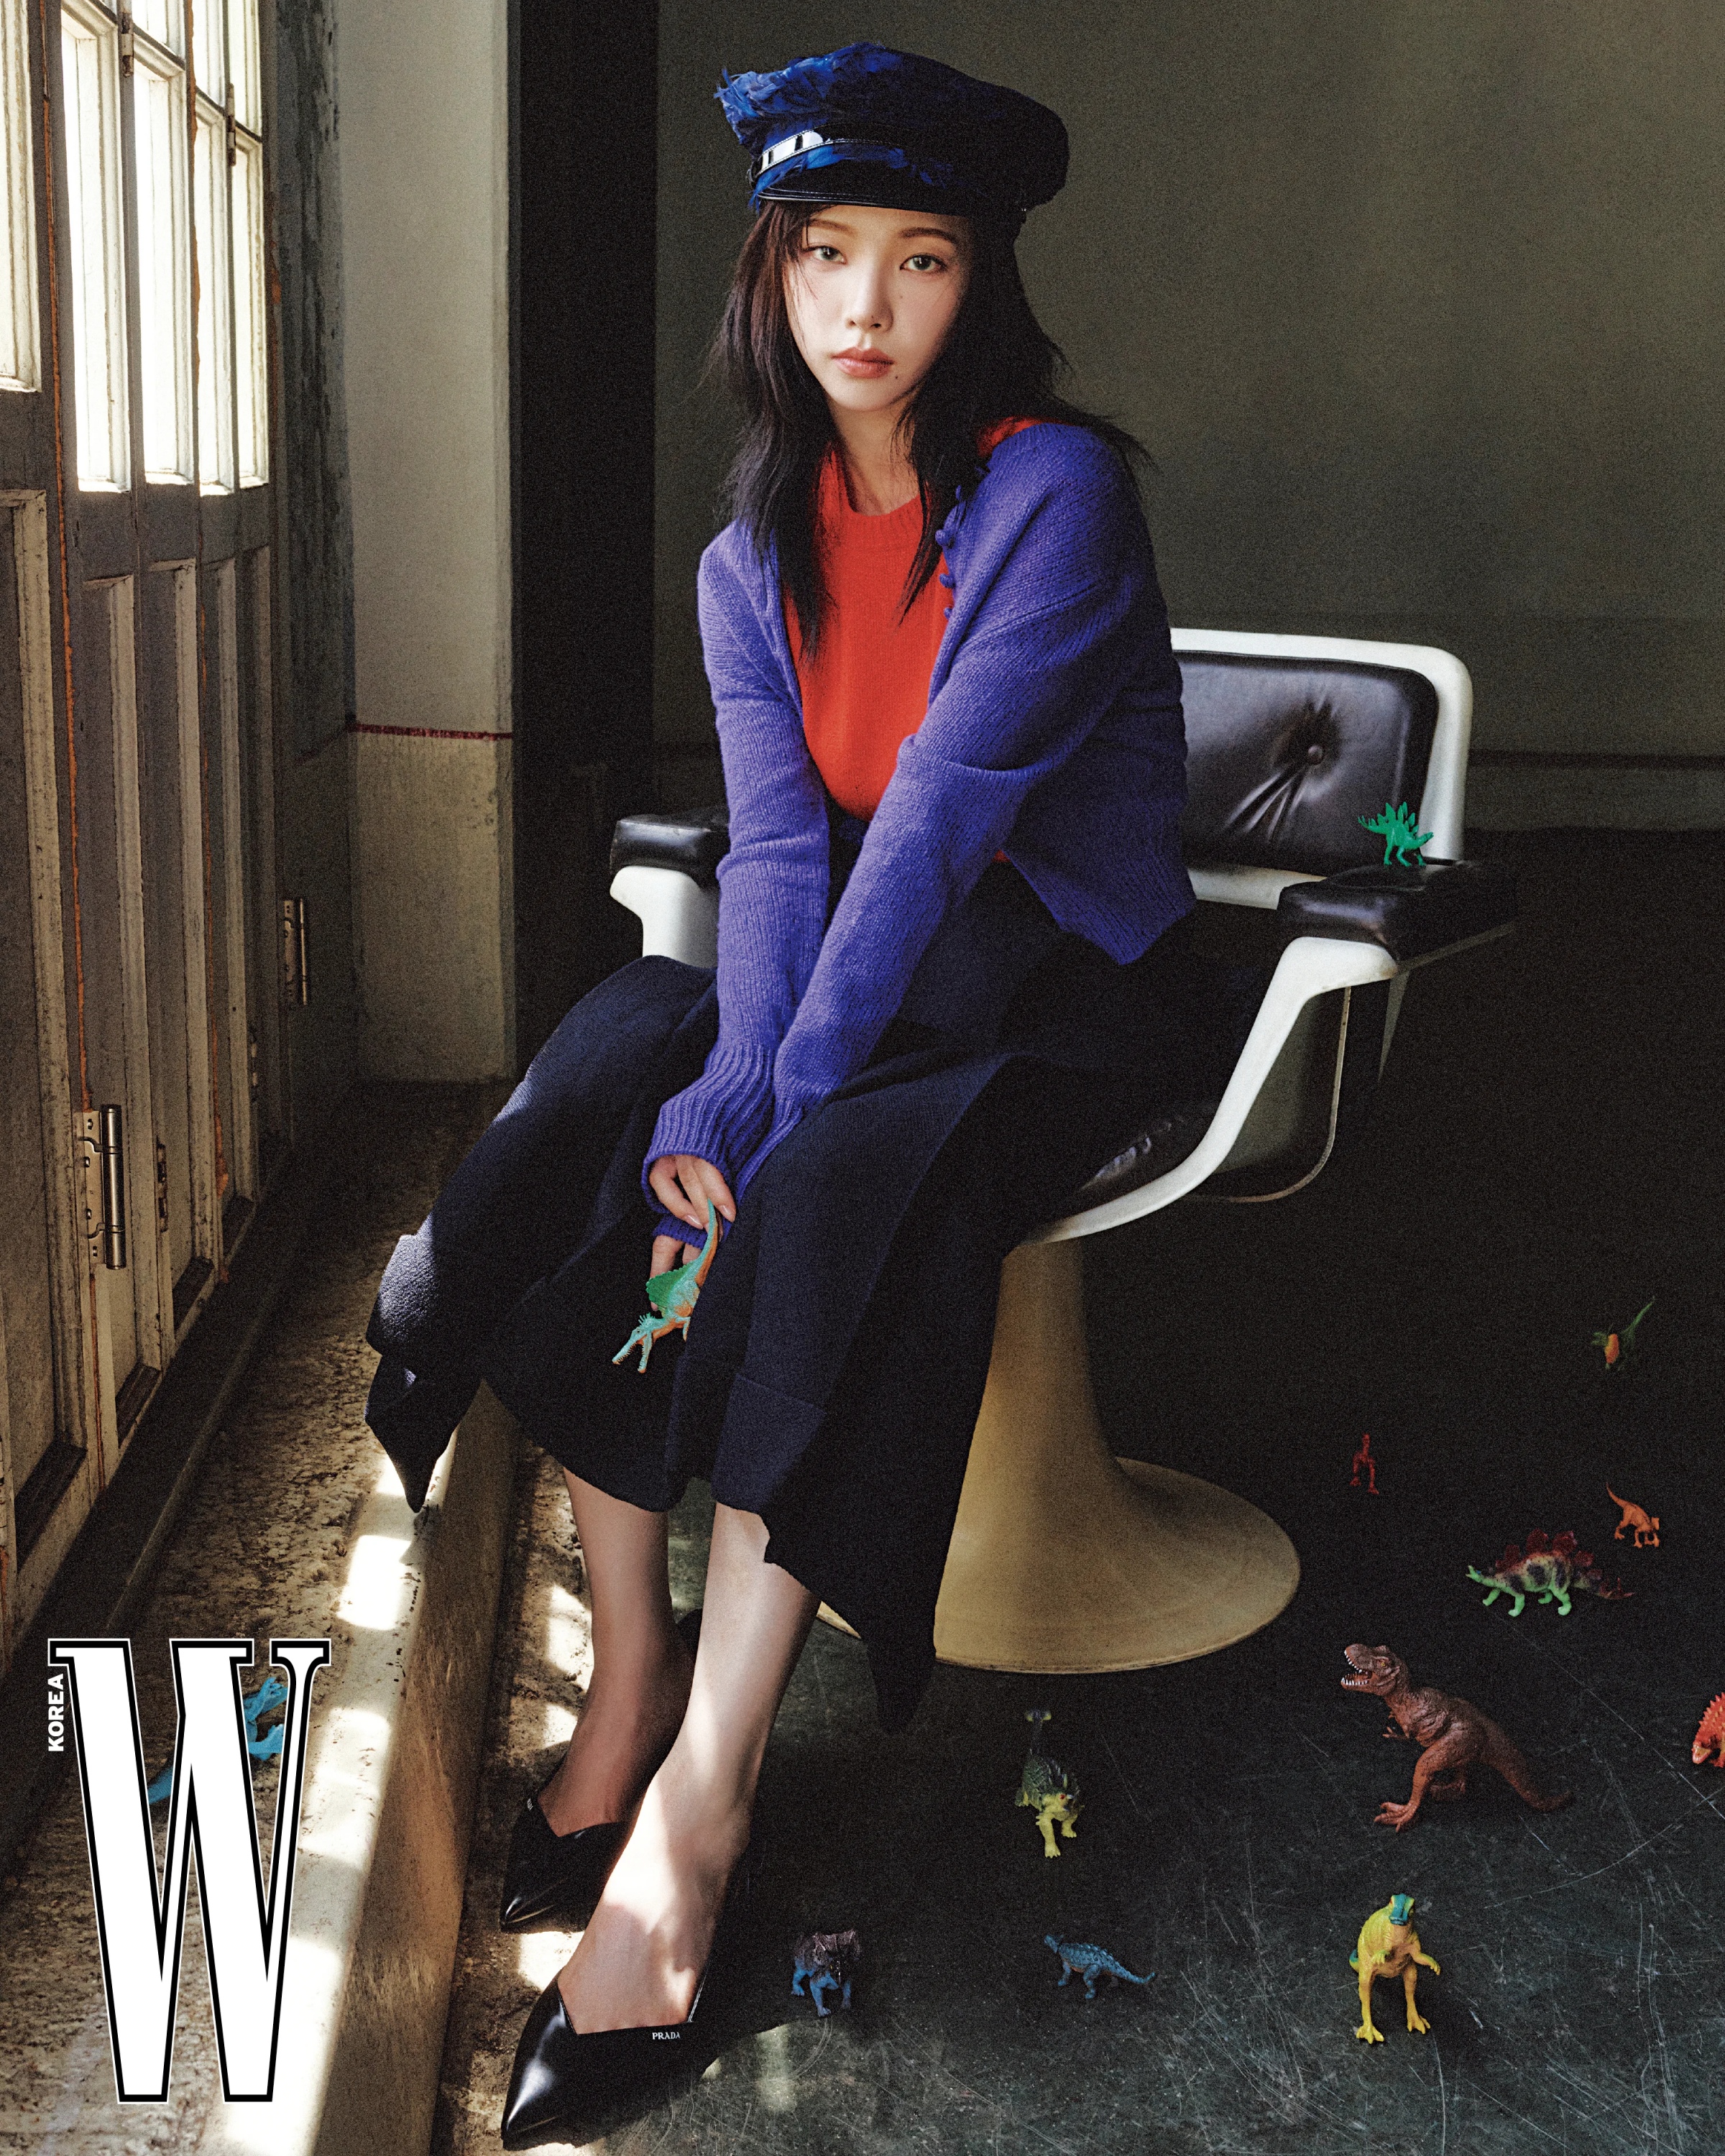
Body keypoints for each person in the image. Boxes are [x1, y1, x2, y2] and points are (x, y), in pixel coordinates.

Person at [362, 41, 1251, 2147]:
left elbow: (938, 827)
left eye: (920, 258)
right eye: (825, 252)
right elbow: (783, 852)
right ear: (768, 275)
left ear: (980, 280)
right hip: (872, 947)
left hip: (1063, 981)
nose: (867, 306)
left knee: (835, 1178)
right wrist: (725, 1087)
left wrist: (775, 1108)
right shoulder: (745, 553)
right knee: (618, 1069)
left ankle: (704, 1808)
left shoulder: (1054, 493)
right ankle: (633, 1671)